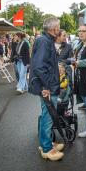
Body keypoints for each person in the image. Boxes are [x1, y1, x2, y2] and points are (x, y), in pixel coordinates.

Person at [29, 17, 64, 161]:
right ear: (53, 29)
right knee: (48, 117)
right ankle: (47, 148)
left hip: (47, 85)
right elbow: (39, 66)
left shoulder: (45, 40)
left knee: (47, 116)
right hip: (47, 87)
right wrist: (46, 87)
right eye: (58, 27)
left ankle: (46, 143)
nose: (59, 29)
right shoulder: (44, 41)